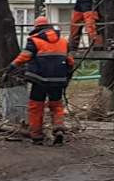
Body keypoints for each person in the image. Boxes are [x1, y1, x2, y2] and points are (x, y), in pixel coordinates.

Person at [9, 16, 76, 145]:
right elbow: (70, 61)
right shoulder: (63, 42)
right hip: (58, 80)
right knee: (56, 105)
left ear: (36, 28)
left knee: (36, 106)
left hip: (39, 80)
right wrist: (66, 76)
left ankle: (36, 135)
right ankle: (58, 128)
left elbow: (25, 56)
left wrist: (12, 66)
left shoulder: (34, 40)